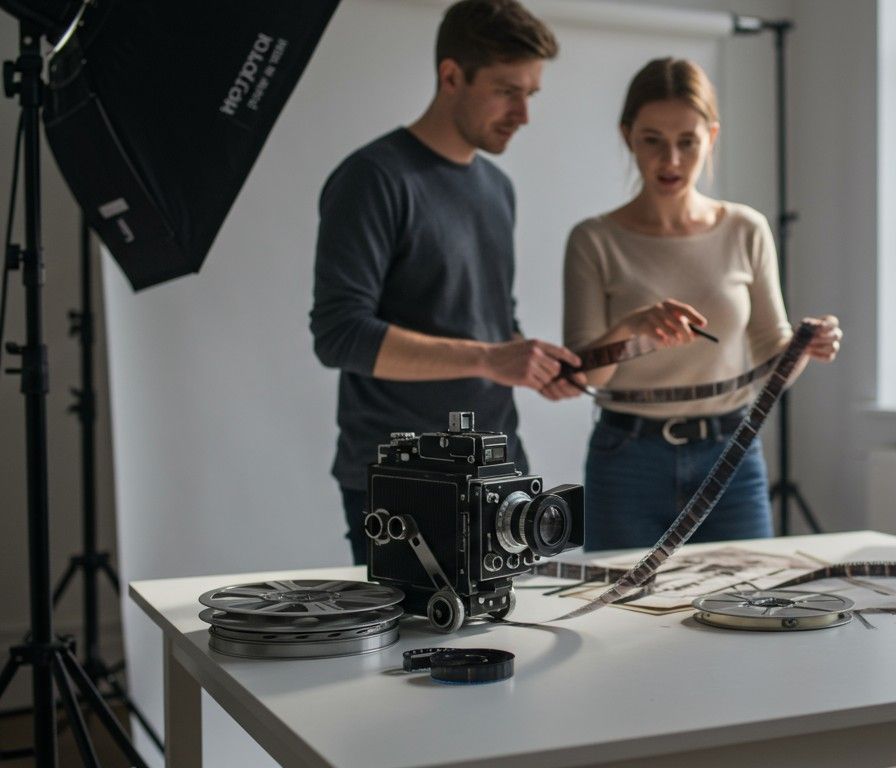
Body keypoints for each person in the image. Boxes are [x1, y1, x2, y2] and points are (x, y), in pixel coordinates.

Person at [310, 0, 582, 564]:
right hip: (402, 479)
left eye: (531, 93)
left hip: (500, 467)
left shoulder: (498, 188)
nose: (523, 113)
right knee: (415, 650)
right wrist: (489, 358)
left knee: (507, 646)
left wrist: (530, 364)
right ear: (451, 76)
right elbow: (339, 335)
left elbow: (491, 319)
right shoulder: (374, 179)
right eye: (508, 90)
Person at [562, 57, 842, 552]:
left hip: (731, 456)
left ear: (712, 136)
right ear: (627, 135)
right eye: (652, 140)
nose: (671, 159)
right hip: (627, 461)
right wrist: (633, 329)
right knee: (621, 618)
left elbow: (769, 356)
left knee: (748, 607)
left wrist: (805, 344)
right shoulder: (593, 240)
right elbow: (581, 375)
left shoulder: (746, 229)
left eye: (687, 141)